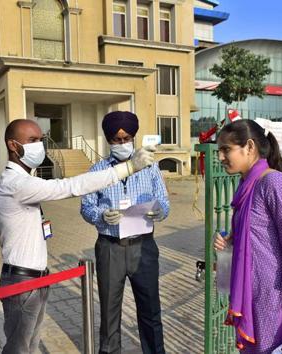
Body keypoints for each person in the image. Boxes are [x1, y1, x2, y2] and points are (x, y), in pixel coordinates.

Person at [0, 118, 156, 354]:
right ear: (13, 145)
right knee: (18, 349)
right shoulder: (15, 184)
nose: (39, 145)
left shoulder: (25, 180)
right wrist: (128, 168)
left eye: (40, 140)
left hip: (36, 279)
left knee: (29, 346)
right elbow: (68, 186)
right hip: (22, 281)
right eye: (31, 140)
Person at [212, 119, 282, 354]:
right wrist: (230, 242)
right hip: (255, 299)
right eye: (219, 151)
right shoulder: (246, 186)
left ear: (249, 147)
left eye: (226, 149)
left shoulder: (274, 184)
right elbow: (255, 238)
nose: (220, 157)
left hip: (277, 303)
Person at [80, 111, 169, 354]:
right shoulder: (97, 170)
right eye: (116, 140)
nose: (122, 144)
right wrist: (100, 215)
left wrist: (158, 211)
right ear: (108, 140)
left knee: (150, 309)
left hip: (144, 246)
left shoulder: (150, 167)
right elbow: (86, 207)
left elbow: (164, 201)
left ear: (134, 137)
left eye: (126, 138)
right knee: (109, 312)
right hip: (110, 247)